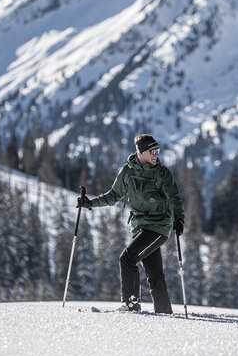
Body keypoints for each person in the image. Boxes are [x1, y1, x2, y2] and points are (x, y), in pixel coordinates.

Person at [78, 134, 184, 314]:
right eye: (152, 151)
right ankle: (165, 312)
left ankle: (131, 304)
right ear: (141, 153)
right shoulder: (127, 172)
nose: (156, 155)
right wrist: (90, 203)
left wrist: (179, 218)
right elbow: (113, 196)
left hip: (159, 226)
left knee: (127, 258)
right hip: (140, 226)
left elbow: (174, 198)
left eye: (158, 151)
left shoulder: (162, 173)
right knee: (154, 274)